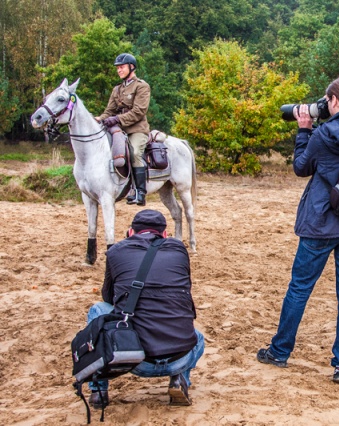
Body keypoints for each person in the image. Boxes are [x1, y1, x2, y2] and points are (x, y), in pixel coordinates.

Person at [256, 77, 339, 383]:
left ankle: (280, 351)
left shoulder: (323, 134)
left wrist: (304, 130)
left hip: (321, 223)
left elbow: (302, 167)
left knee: (300, 288)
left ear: (331, 101)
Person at [86, 209, 204, 408]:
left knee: (97, 310)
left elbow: (108, 298)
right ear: (165, 234)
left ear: (131, 232)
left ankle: (99, 390)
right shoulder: (179, 249)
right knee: (197, 336)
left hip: (133, 360)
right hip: (180, 359)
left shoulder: (116, 251)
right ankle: (179, 379)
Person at [96, 53, 151, 206]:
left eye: (121, 67)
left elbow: (139, 111)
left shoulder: (142, 86)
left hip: (136, 129)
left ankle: (140, 192)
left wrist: (117, 119)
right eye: (117, 68)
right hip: (119, 130)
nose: (119, 70)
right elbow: (109, 111)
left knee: (134, 153)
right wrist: (99, 119)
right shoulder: (117, 89)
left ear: (131, 67)